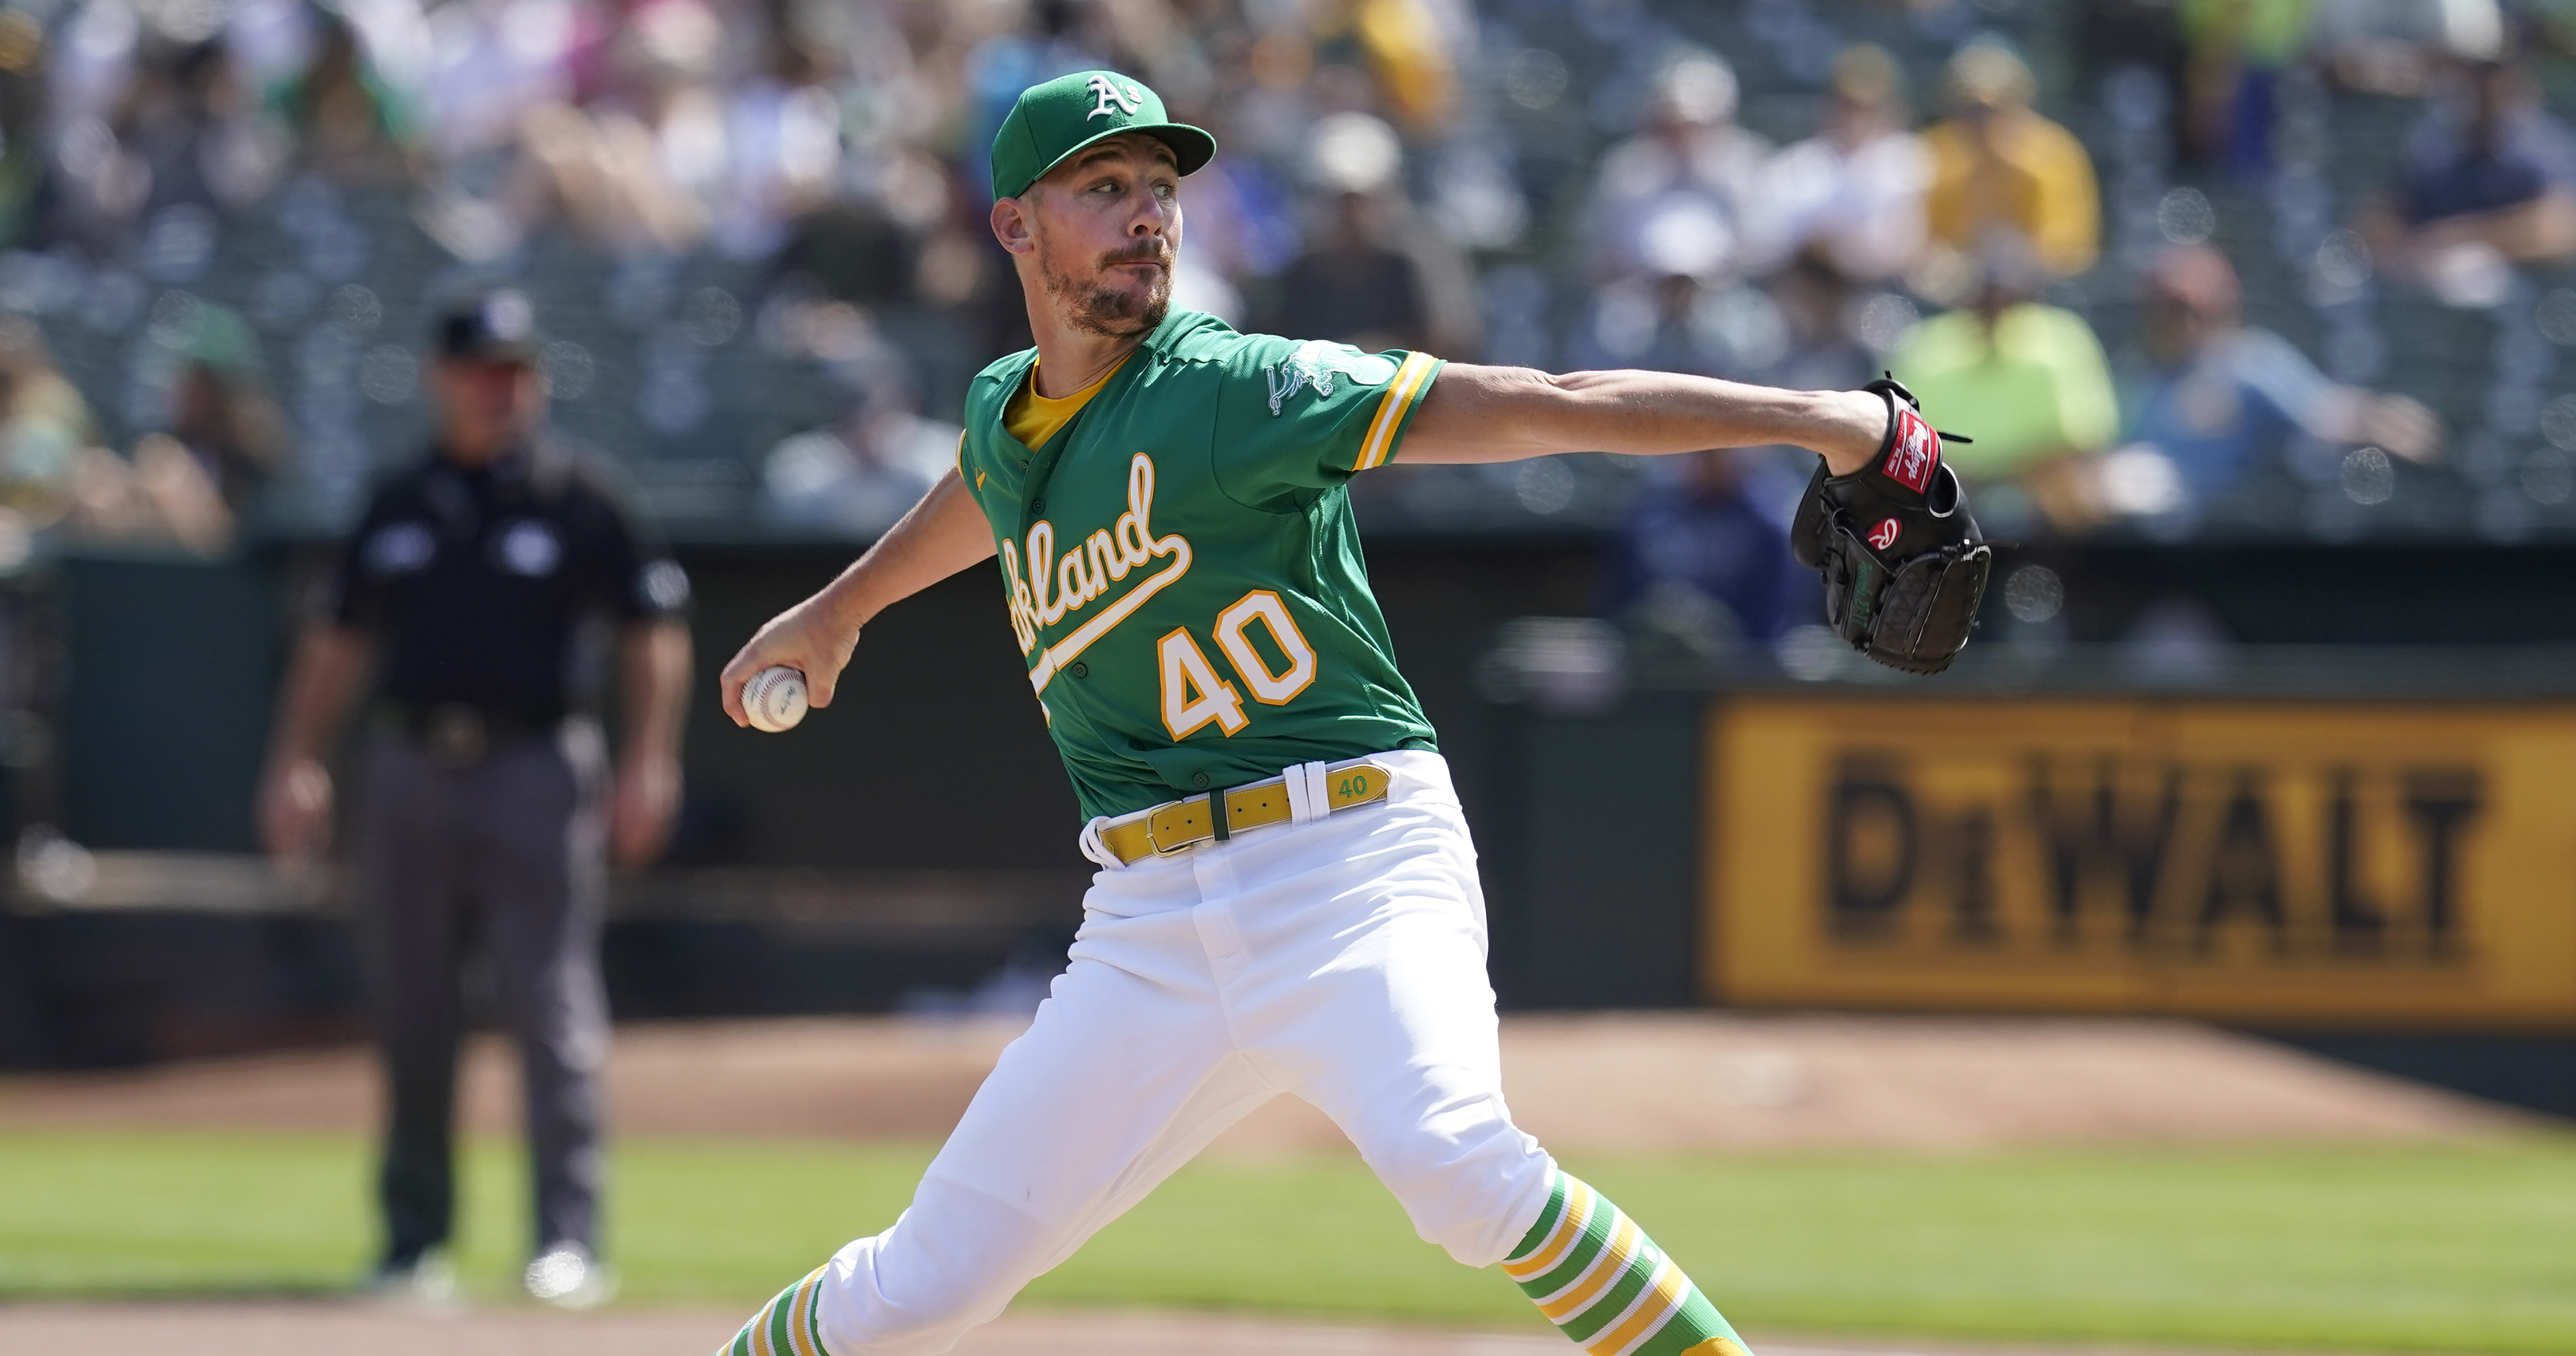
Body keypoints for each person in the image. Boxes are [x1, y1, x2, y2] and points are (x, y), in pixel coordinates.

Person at [711, 69, 1911, 1356]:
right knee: (924, 1284)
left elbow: (1545, 406)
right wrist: (840, 610)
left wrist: (1825, 419)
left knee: (1458, 1165)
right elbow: (985, 490)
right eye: (1103, 189)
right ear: (1014, 225)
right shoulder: (1008, 417)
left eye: (1162, 190)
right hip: (1146, 923)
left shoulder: (1237, 387)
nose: (1146, 217)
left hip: (1346, 863)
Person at [256, 290, 693, 1309]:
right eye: (485, 370)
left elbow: (653, 627)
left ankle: (568, 1243)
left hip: (538, 766)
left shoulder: (577, 494)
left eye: (519, 371)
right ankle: (414, 1245)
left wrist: (649, 761)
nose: (504, 390)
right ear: (441, 378)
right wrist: (295, 759)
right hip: (410, 765)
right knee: (413, 1005)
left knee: (550, 1005)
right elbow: (337, 639)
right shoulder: (399, 498)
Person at [2118, 243, 2439, 503]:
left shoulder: (2251, 362)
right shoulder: (2138, 374)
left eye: (2184, 310)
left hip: (2219, 536)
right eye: (2159, 307)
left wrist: (2390, 422)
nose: (2171, 320)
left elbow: (2335, 417)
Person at [1889, 237, 2118, 529]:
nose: (1994, 303)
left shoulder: (2063, 336)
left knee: (2079, 488)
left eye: (2003, 293)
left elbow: (2087, 435)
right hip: (1950, 485)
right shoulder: (1924, 345)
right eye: (1984, 293)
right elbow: (1904, 440)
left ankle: (2079, 573)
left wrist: (2016, 472)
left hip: (2045, 487)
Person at [1920, 41, 2101, 284]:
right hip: (1953, 290)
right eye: (1969, 109)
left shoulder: (2055, 153)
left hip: (2040, 290)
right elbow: (1924, 243)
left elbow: (2073, 249)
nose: (1981, 122)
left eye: (1992, 110)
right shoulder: (1936, 152)